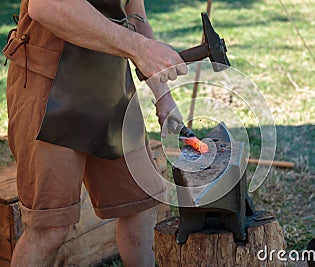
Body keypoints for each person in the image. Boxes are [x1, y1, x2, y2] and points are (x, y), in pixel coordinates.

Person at [3, 0, 188, 266]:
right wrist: (140, 48)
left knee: (142, 202)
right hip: (49, 84)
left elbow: (136, 18)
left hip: (109, 88)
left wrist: (164, 99)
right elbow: (46, 6)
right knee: (49, 228)